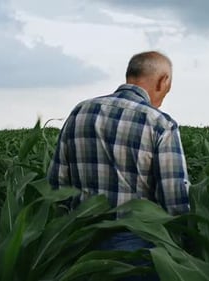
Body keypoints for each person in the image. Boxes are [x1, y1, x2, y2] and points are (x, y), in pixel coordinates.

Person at [47, 51, 190, 279]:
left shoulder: (80, 112)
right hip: (136, 248)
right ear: (163, 82)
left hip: (80, 246)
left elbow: (57, 186)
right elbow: (174, 201)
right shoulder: (160, 124)